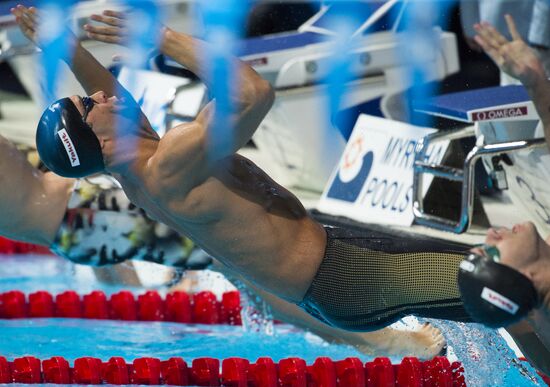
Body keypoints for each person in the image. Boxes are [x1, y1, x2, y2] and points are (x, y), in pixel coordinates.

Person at [10, 5, 550, 342]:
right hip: (348, 280)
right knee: (527, 284)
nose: (102, 94)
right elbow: (252, 93)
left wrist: (69, 49)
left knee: (518, 288)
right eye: (90, 104)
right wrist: (162, 38)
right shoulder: (169, 162)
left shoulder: (136, 164)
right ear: (101, 140)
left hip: (337, 262)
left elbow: (117, 99)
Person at [0, 133, 445, 359]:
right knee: (241, 260)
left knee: (238, 261)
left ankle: (370, 338)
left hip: (80, 226)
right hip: (86, 219)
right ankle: (379, 342)